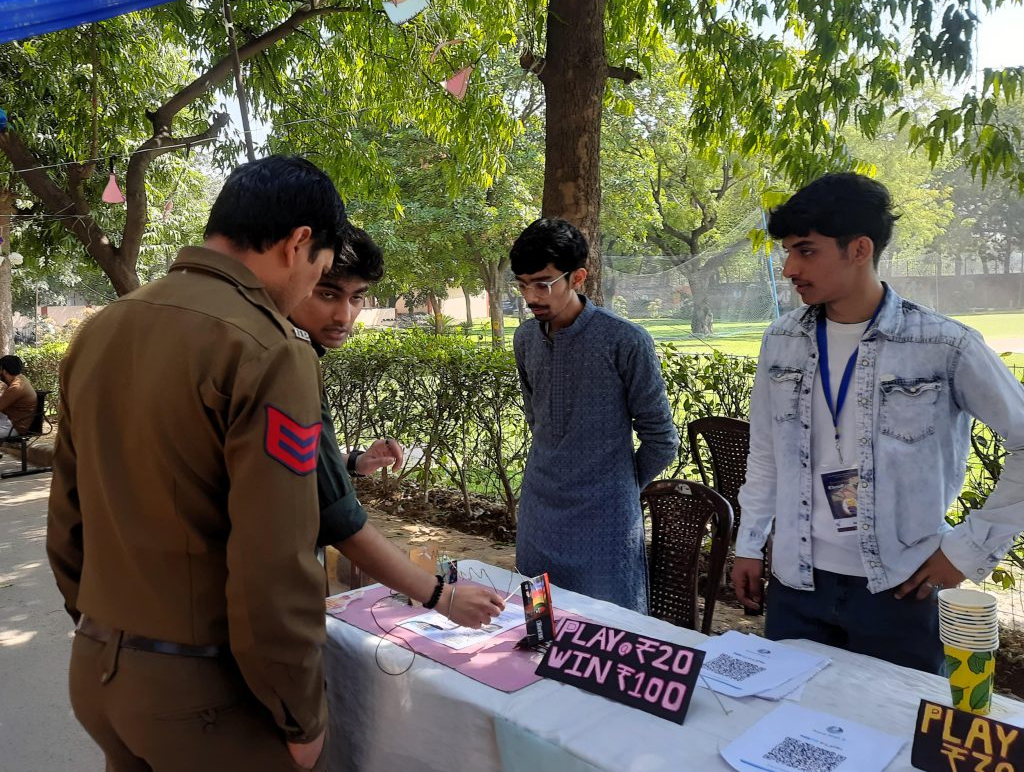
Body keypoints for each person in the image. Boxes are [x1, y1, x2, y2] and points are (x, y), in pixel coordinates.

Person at [47, 155, 351, 772]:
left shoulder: (100, 330)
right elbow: (275, 560)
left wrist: (109, 632)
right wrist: (300, 713)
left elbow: (67, 522)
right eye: (320, 272)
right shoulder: (270, 350)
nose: (309, 291)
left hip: (98, 669)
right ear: (298, 243)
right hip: (206, 699)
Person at [731, 172, 1024, 673]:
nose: (789, 268)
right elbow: (765, 452)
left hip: (901, 587)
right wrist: (750, 544)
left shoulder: (943, 344)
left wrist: (966, 551)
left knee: (896, 719)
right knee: (791, 713)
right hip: (797, 583)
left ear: (859, 249)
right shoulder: (782, 339)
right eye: (788, 252)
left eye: (806, 251)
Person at [288, 226, 505, 626]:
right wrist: (440, 595)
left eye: (356, 298)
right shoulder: (286, 360)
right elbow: (337, 517)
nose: (344, 315)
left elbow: (289, 462)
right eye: (328, 294)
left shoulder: (294, 350)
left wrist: (353, 462)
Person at [509, 218, 679, 613]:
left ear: (578, 277)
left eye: (543, 284)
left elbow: (661, 439)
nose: (531, 297)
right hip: (538, 515)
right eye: (522, 285)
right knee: (538, 621)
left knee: (610, 630)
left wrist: (617, 487)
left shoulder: (625, 340)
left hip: (606, 525)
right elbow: (538, 420)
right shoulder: (525, 338)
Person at [0, 354, 37, 436]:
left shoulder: (16, 387)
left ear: (4, 371)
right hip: (10, 420)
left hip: (14, 427)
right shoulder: (21, 379)